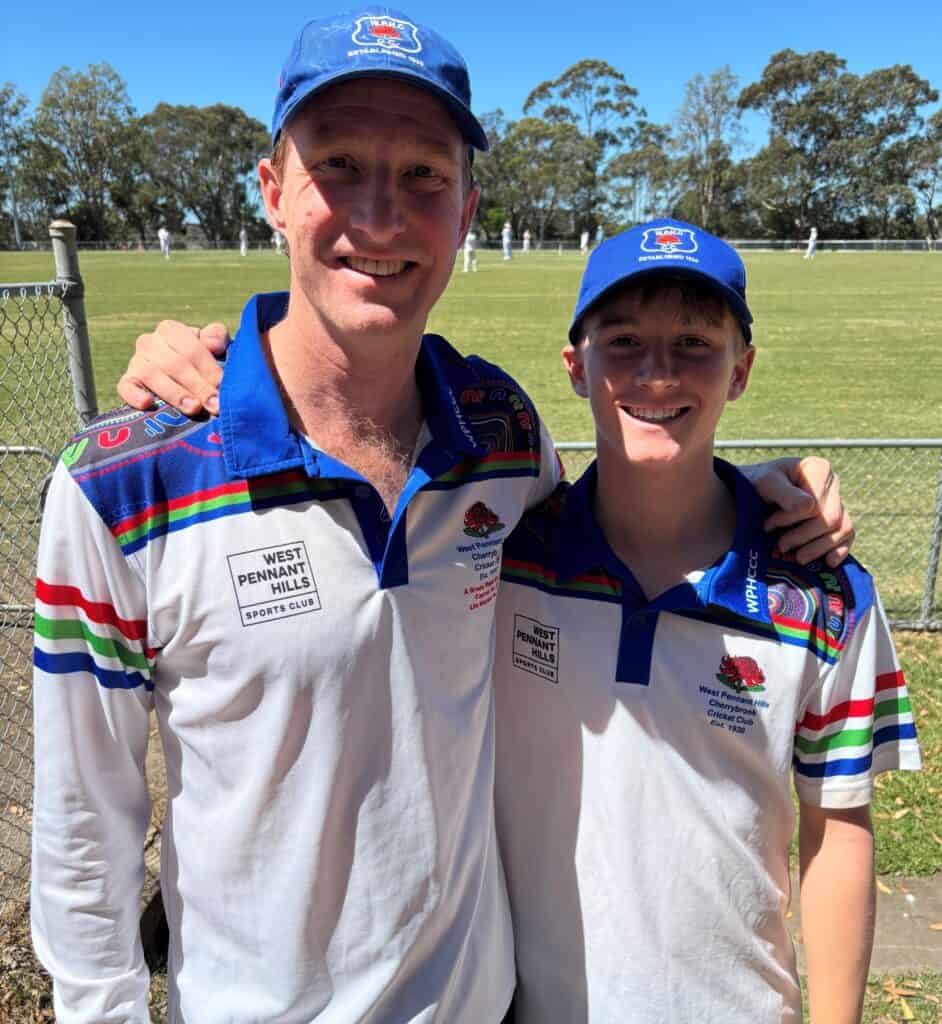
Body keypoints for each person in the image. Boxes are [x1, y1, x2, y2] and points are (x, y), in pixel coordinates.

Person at [102, 17, 852, 1023]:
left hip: (476, 998)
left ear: (465, 211)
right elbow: (84, 825)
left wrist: (751, 487)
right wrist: (195, 358)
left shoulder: (502, 456)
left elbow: (639, 505)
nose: (381, 210)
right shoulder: (137, 477)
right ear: (272, 193)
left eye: (422, 174)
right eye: (339, 165)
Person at [493, 220, 921, 1023]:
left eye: (694, 341)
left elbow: (837, 832)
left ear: (742, 369)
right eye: (622, 340)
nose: (656, 373)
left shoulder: (827, 593)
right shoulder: (503, 553)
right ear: (576, 368)